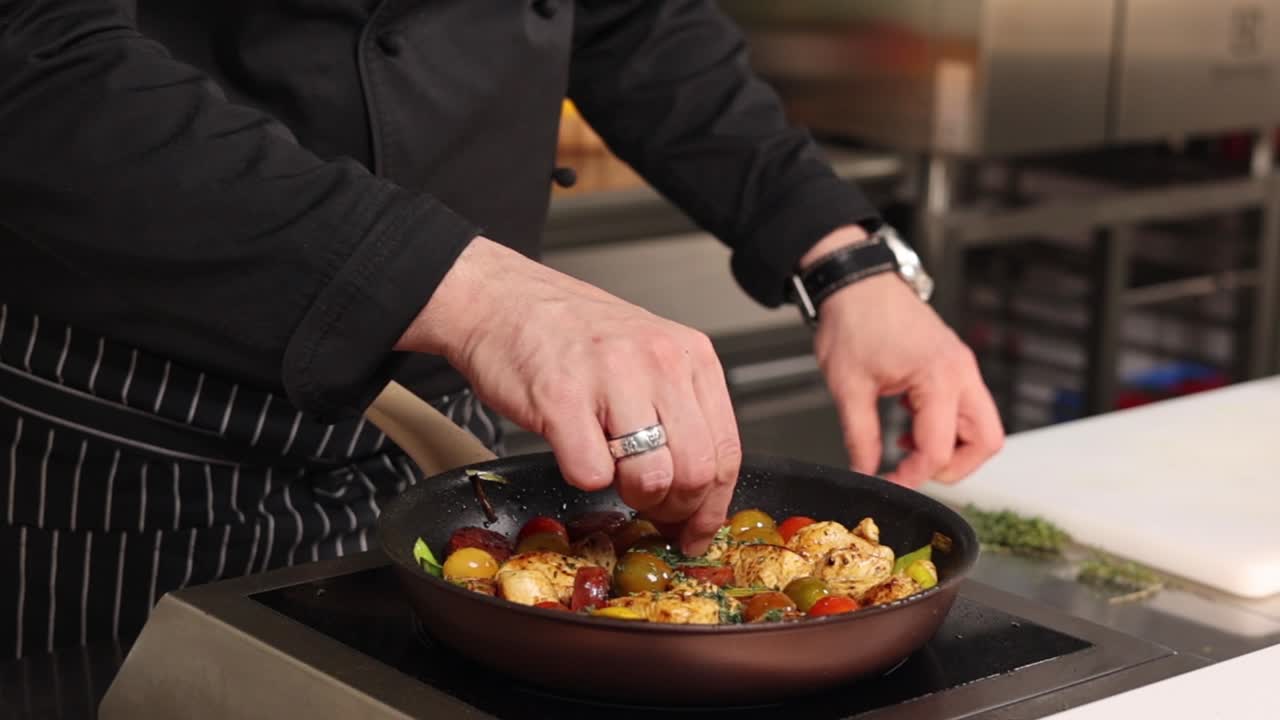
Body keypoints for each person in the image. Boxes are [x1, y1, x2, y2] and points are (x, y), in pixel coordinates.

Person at [0, 0, 1004, 659]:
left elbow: (632, 19)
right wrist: (473, 289)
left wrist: (839, 258)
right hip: (134, 428)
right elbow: (31, 55)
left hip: (435, 450)